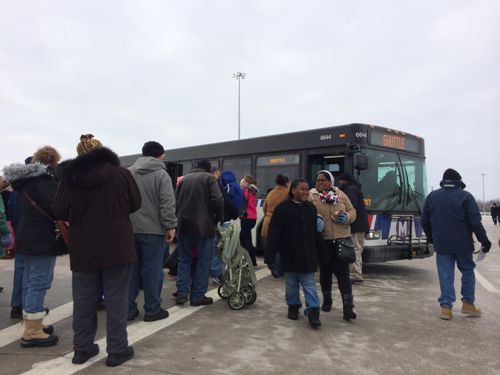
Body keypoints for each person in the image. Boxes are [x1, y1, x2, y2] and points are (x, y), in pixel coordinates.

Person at [53, 134, 141, 366]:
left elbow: (59, 210)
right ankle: (117, 350)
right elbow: (135, 203)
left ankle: (82, 349)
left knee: (84, 300)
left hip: (84, 246)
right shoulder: (121, 174)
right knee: (117, 299)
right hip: (118, 245)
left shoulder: (69, 178)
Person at [3, 146, 63, 347]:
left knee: (30, 281)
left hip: (26, 237)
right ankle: (32, 331)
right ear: (52, 161)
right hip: (42, 239)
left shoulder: (22, 183)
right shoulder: (44, 179)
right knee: (39, 281)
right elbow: (56, 207)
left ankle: (32, 322)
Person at [421, 168, 491, 320]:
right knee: (467, 270)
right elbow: (475, 222)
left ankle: (446, 308)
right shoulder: (465, 196)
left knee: (445, 273)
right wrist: (484, 240)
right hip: (463, 244)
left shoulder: (432, 196)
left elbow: (424, 220)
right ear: (458, 181)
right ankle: (468, 304)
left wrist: (430, 237)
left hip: (442, 243)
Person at [127, 141, 177, 322]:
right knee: (153, 271)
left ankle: (128, 310)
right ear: (160, 155)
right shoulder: (161, 174)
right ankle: (152, 309)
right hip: (154, 231)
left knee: (131, 270)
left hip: (130, 231)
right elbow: (167, 203)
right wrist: (170, 226)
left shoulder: (129, 172)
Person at [265, 178, 324, 328]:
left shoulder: (311, 208)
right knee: (291, 284)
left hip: (307, 255)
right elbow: (274, 234)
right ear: (293, 190)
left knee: (309, 284)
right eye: (302, 189)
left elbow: (316, 233)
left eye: (307, 189)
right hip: (289, 254)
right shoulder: (283, 209)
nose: (306, 192)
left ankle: (313, 311)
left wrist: (323, 253)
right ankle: (293, 306)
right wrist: (270, 258)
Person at [309, 170, 357, 320]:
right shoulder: (312, 196)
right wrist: (313, 221)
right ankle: (327, 300)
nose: (320, 183)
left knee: (343, 275)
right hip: (323, 241)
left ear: (330, 182)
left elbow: (352, 211)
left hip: (341, 239)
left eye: (323, 180)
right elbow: (306, 212)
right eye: (318, 180)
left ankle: (348, 307)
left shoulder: (340, 194)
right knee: (325, 273)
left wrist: (347, 217)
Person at [175, 160, 224, 306]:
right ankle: (197, 296)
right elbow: (218, 199)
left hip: (183, 225)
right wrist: (219, 218)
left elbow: (176, 201)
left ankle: (182, 293)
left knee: (184, 260)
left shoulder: (184, 179)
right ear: (208, 169)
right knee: (203, 261)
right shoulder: (209, 178)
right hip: (203, 226)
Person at [209, 167, 242, 284]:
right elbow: (226, 201)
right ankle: (218, 274)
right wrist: (235, 215)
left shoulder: (203, 184)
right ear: (215, 173)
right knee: (223, 249)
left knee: (211, 248)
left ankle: (213, 273)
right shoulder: (218, 185)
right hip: (222, 221)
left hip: (208, 221)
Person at [337, 173, 369, 283]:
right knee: (358, 249)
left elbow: (350, 207)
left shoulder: (350, 190)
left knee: (355, 250)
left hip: (356, 225)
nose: (339, 183)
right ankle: (356, 273)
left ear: (344, 181)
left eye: (340, 180)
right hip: (361, 226)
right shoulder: (355, 189)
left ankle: (355, 275)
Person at [261, 174, 290, 278]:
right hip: (281, 222)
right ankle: (278, 269)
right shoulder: (288, 193)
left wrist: (267, 216)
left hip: (268, 221)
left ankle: (272, 265)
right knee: (281, 247)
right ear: (286, 183)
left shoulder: (271, 193)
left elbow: (264, 208)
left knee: (272, 245)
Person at [240, 175, 259, 266]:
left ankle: (250, 260)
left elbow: (241, 200)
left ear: (247, 182)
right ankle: (251, 260)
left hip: (246, 218)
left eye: (244, 182)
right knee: (245, 238)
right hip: (252, 218)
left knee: (246, 240)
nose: (242, 183)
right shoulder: (253, 191)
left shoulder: (246, 191)